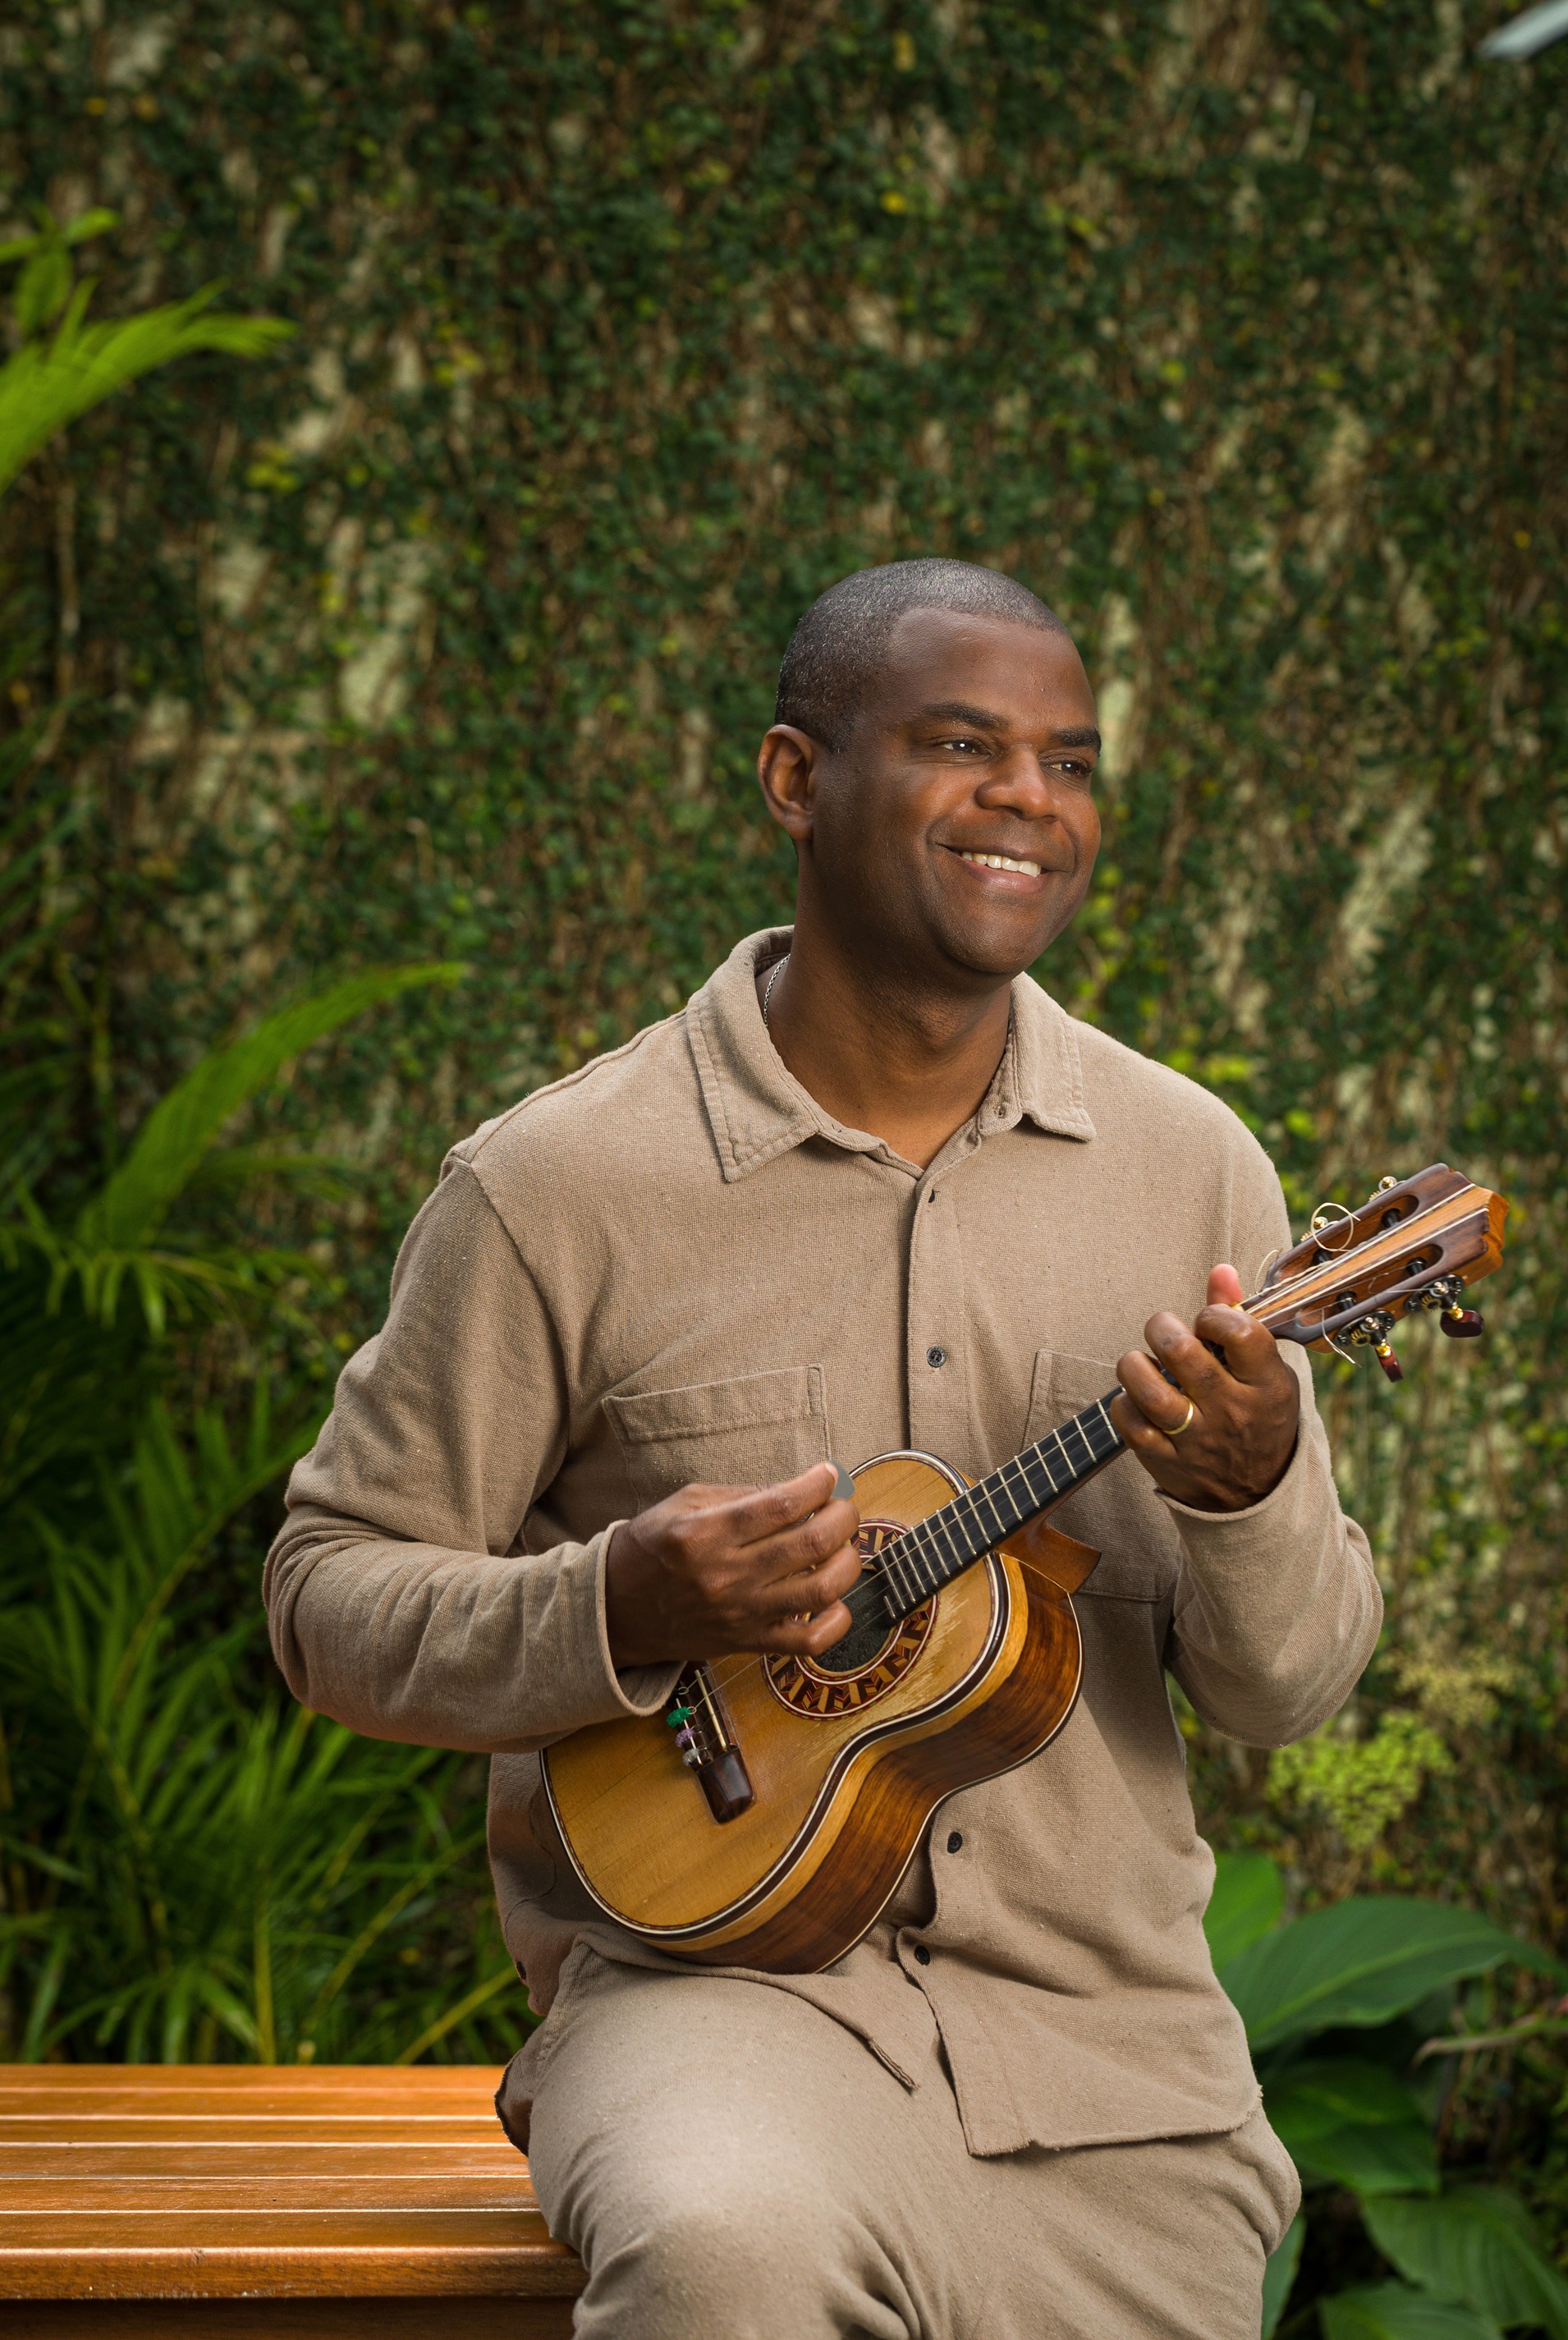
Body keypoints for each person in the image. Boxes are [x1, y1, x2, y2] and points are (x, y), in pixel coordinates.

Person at [265, 558, 1380, 2339]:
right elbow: (326, 1599)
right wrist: (615, 1604)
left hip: (1111, 2080)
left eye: (1071, 761)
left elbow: (1291, 1687)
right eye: (963, 744)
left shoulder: (1195, 1174)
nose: (1030, 798)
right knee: (724, 2244)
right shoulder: (559, 1185)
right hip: (708, 2018)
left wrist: (1246, 1488)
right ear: (797, 779)